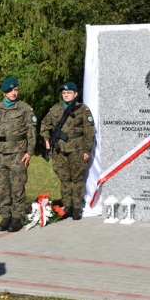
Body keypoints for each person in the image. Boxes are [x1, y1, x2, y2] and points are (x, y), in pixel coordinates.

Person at [0, 76, 37, 232]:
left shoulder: (24, 108)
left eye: (15, 90)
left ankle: (16, 218)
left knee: (17, 185)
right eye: (10, 90)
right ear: (3, 92)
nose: (13, 93)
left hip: (17, 154)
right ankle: (5, 216)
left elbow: (31, 132)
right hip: (0, 153)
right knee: (2, 187)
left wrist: (29, 152)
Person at [40, 82, 95, 220]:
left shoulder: (83, 109)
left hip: (77, 150)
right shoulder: (56, 109)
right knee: (64, 180)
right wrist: (46, 140)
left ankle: (77, 208)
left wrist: (87, 151)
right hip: (59, 152)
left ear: (76, 94)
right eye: (64, 93)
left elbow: (89, 132)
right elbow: (44, 125)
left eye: (69, 92)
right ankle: (67, 207)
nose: (66, 95)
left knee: (76, 180)